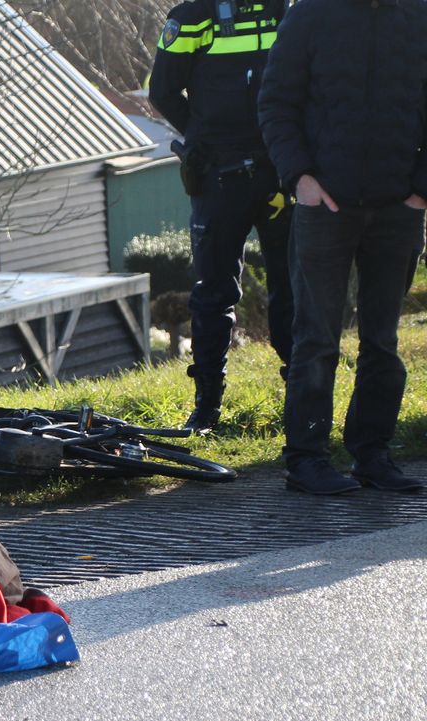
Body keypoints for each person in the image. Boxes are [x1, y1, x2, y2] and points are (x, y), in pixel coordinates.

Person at [258, 0, 427, 495]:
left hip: (398, 207)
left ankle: (372, 455)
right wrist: (301, 179)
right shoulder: (311, 13)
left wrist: (420, 191)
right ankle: (306, 460)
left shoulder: (418, 15)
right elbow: (275, 103)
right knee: (316, 339)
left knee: (383, 341)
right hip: (324, 205)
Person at [148, 0, 294, 433]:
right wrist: (203, 138)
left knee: (293, 289)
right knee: (213, 293)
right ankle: (207, 407)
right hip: (218, 177)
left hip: (283, 172)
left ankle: (302, 401)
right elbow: (162, 91)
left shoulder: (292, 10)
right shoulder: (194, 15)